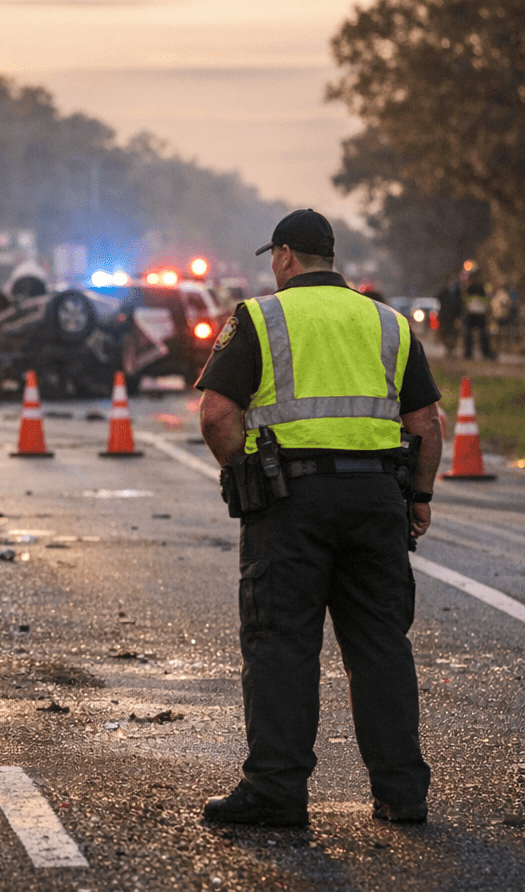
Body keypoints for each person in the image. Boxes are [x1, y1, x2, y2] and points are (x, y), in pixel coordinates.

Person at [195, 208, 443, 828]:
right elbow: (426, 423)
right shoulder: (387, 322)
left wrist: (243, 472)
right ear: (330, 257)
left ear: (284, 256)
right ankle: (402, 794)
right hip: (377, 501)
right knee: (381, 646)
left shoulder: (259, 318)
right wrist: (418, 496)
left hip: (290, 503)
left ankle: (276, 793)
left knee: (282, 645)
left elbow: (216, 415)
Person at [462, 274, 493, 360]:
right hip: (481, 314)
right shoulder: (483, 292)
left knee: (468, 334)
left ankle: (468, 353)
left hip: (471, 314)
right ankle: (485, 353)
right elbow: (487, 304)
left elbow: (464, 303)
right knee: (483, 334)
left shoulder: (469, 292)